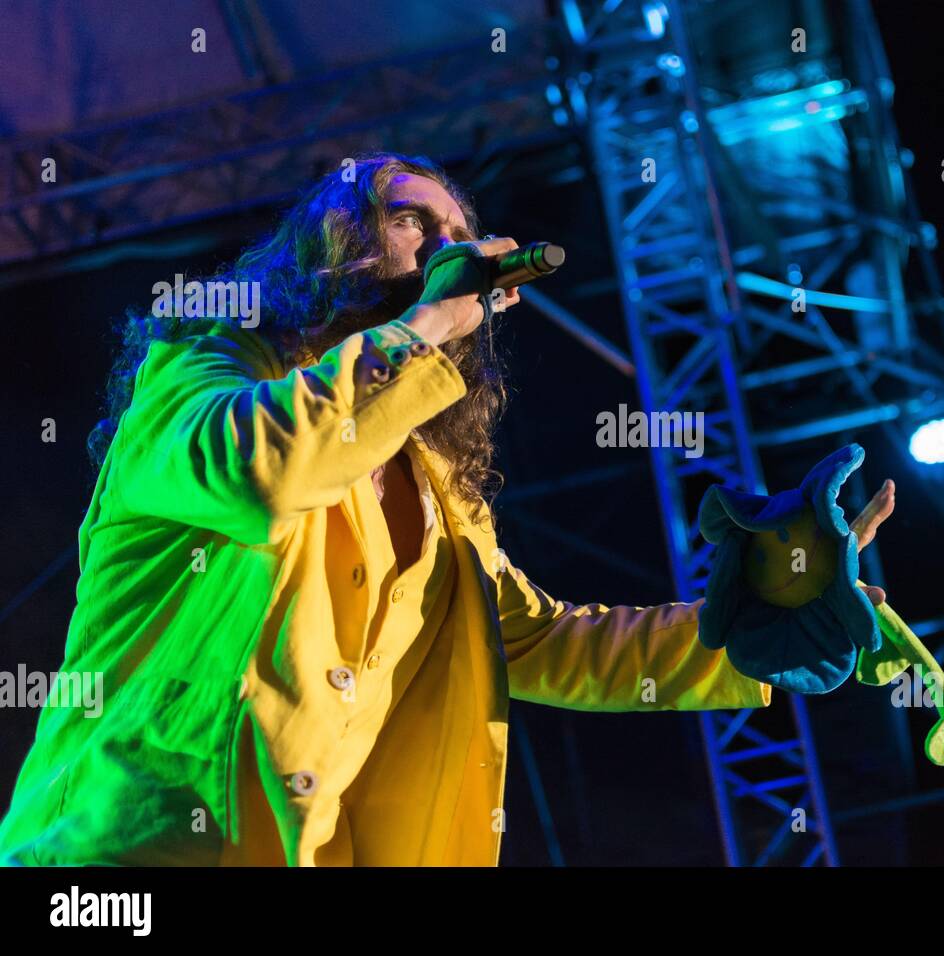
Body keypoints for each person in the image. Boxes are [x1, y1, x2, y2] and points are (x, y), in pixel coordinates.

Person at [0, 152, 890, 866]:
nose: (445, 243)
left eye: (461, 231)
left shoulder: (435, 488)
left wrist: (757, 623)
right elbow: (264, 473)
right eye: (410, 219)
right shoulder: (201, 365)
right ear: (330, 246)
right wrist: (424, 329)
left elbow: (541, 641)